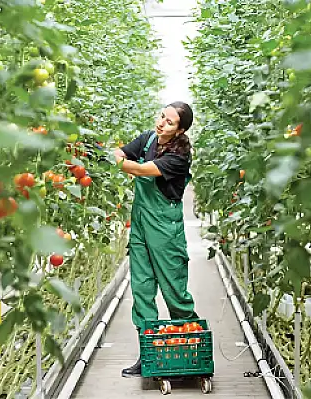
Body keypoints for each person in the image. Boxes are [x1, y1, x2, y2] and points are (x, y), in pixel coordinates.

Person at [113, 101, 198, 378]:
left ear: (180, 130)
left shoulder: (179, 156)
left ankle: (188, 354)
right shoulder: (148, 139)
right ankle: (149, 355)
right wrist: (118, 154)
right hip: (140, 225)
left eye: (170, 122)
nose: (162, 123)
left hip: (164, 228)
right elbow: (122, 151)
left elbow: (140, 169)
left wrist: (120, 161)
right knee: (142, 290)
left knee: (174, 292)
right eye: (162, 117)